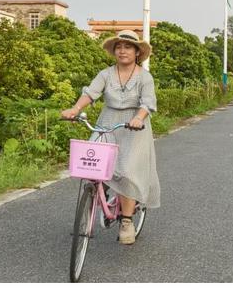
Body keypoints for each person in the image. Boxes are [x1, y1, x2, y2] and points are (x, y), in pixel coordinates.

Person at [61, 30, 160, 245]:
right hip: (108, 122)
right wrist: (75, 108)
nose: (122, 50)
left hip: (134, 126)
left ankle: (126, 220)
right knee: (92, 161)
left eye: (128, 47)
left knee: (127, 170)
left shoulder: (145, 77)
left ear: (137, 52)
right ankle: (100, 191)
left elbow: (148, 103)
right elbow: (90, 93)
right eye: (119, 47)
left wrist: (139, 117)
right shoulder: (105, 74)